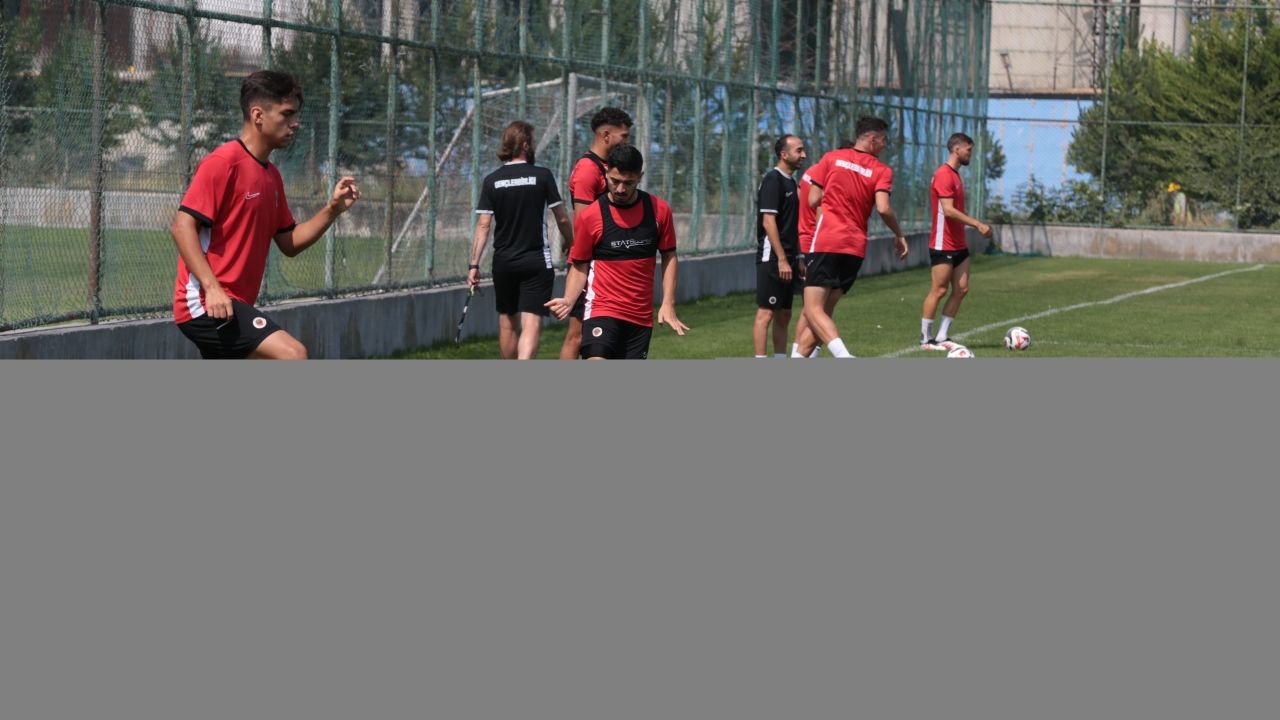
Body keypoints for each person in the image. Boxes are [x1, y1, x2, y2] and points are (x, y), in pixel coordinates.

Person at [170, 70, 360, 359]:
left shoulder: (271, 176)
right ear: (258, 115)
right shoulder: (223, 162)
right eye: (287, 114)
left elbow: (289, 242)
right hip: (205, 302)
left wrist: (332, 210)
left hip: (232, 303)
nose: (295, 123)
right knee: (293, 355)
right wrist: (213, 288)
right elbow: (181, 226)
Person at [545, 144, 688, 359]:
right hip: (601, 309)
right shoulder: (590, 216)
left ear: (640, 177)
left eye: (628, 183)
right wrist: (569, 299)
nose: (620, 189)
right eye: (615, 181)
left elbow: (669, 255)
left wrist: (668, 302)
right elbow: (580, 265)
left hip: (639, 316)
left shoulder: (659, 211)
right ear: (606, 173)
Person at [793, 117, 908, 359]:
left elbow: (812, 200)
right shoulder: (882, 170)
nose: (885, 145)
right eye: (884, 140)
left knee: (812, 310)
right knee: (823, 312)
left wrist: (835, 193)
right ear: (872, 139)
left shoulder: (831, 158)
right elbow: (883, 208)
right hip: (854, 248)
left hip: (827, 242)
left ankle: (844, 357)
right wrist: (899, 234)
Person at [467, 121, 573, 359]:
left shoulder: (492, 180)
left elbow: (483, 225)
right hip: (536, 261)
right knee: (531, 322)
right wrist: (571, 242)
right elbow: (562, 218)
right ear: (525, 145)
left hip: (504, 262)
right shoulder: (542, 176)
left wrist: (474, 265)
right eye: (532, 141)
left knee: (507, 323)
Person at [559, 107, 633, 359]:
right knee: (578, 335)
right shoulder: (588, 169)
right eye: (624, 136)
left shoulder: (608, 167)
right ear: (606, 135)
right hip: (589, 265)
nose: (627, 142)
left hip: (607, 263)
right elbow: (584, 222)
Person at [919, 132, 992, 350]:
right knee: (939, 290)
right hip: (943, 244)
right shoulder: (943, 174)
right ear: (956, 149)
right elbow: (948, 211)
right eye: (968, 150)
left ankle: (942, 336)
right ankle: (926, 339)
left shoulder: (955, 175)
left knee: (962, 289)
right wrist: (977, 224)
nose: (970, 154)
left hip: (959, 244)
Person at [790, 138, 853, 358]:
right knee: (816, 309)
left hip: (807, 241)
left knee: (813, 307)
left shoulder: (813, 171)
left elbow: (800, 203)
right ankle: (800, 356)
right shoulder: (834, 173)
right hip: (820, 243)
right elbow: (820, 209)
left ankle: (800, 355)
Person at [753, 134, 806, 358]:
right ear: (784, 154)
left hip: (790, 258)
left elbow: (792, 224)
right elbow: (768, 222)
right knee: (766, 313)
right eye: (799, 150)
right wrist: (782, 259)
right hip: (773, 258)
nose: (803, 155)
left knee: (784, 314)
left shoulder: (791, 182)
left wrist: (799, 257)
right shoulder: (773, 180)